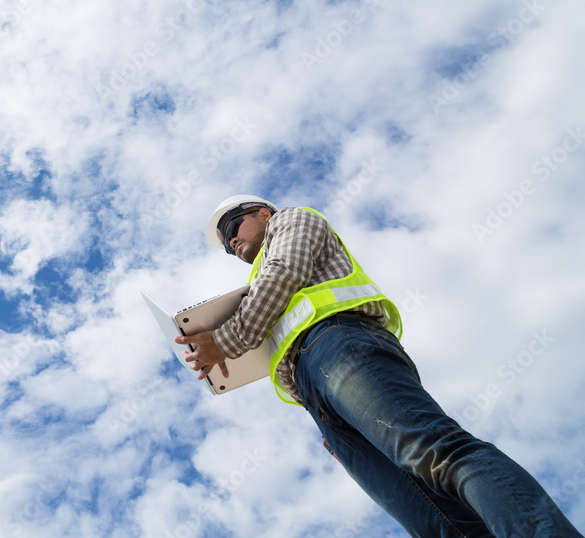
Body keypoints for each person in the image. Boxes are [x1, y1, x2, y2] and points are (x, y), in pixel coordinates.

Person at [176, 196, 581, 537]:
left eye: (234, 225)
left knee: (437, 454)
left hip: (341, 344)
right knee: (433, 521)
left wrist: (224, 342)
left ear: (263, 212)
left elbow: (285, 273)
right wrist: (335, 421)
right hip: (321, 391)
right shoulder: (258, 282)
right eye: (228, 245)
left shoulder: (293, 221)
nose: (231, 241)